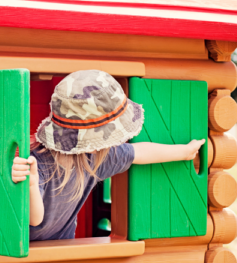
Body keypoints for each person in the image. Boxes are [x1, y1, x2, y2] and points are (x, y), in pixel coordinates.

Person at [11, 70, 205, 241]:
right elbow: (34, 220)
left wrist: (183, 152)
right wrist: (31, 184)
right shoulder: (39, 163)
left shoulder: (93, 159)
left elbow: (139, 152)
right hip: (29, 253)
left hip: (63, 248)